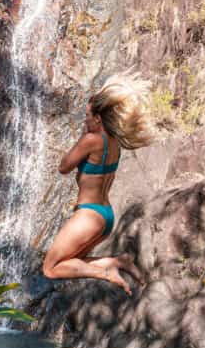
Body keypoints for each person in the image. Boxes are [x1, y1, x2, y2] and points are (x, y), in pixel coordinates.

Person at [42, 73, 154, 294]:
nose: (85, 120)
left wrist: (83, 136)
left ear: (98, 119)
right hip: (105, 215)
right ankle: (118, 262)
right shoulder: (115, 143)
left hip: (88, 216)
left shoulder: (91, 140)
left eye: (87, 116)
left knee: (51, 268)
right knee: (75, 260)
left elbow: (64, 167)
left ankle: (105, 273)